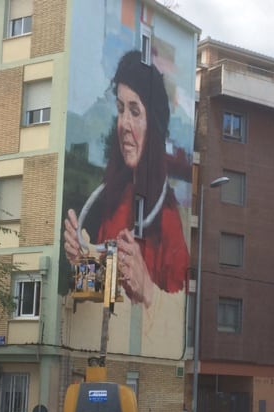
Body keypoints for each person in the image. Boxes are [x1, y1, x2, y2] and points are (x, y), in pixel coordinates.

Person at [63, 50, 189, 308]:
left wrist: (147, 290)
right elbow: (105, 293)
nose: (124, 124)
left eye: (135, 111)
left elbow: (175, 308)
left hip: (137, 347)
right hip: (104, 342)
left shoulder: (168, 220)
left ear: (153, 124)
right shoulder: (115, 200)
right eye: (121, 110)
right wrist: (79, 262)